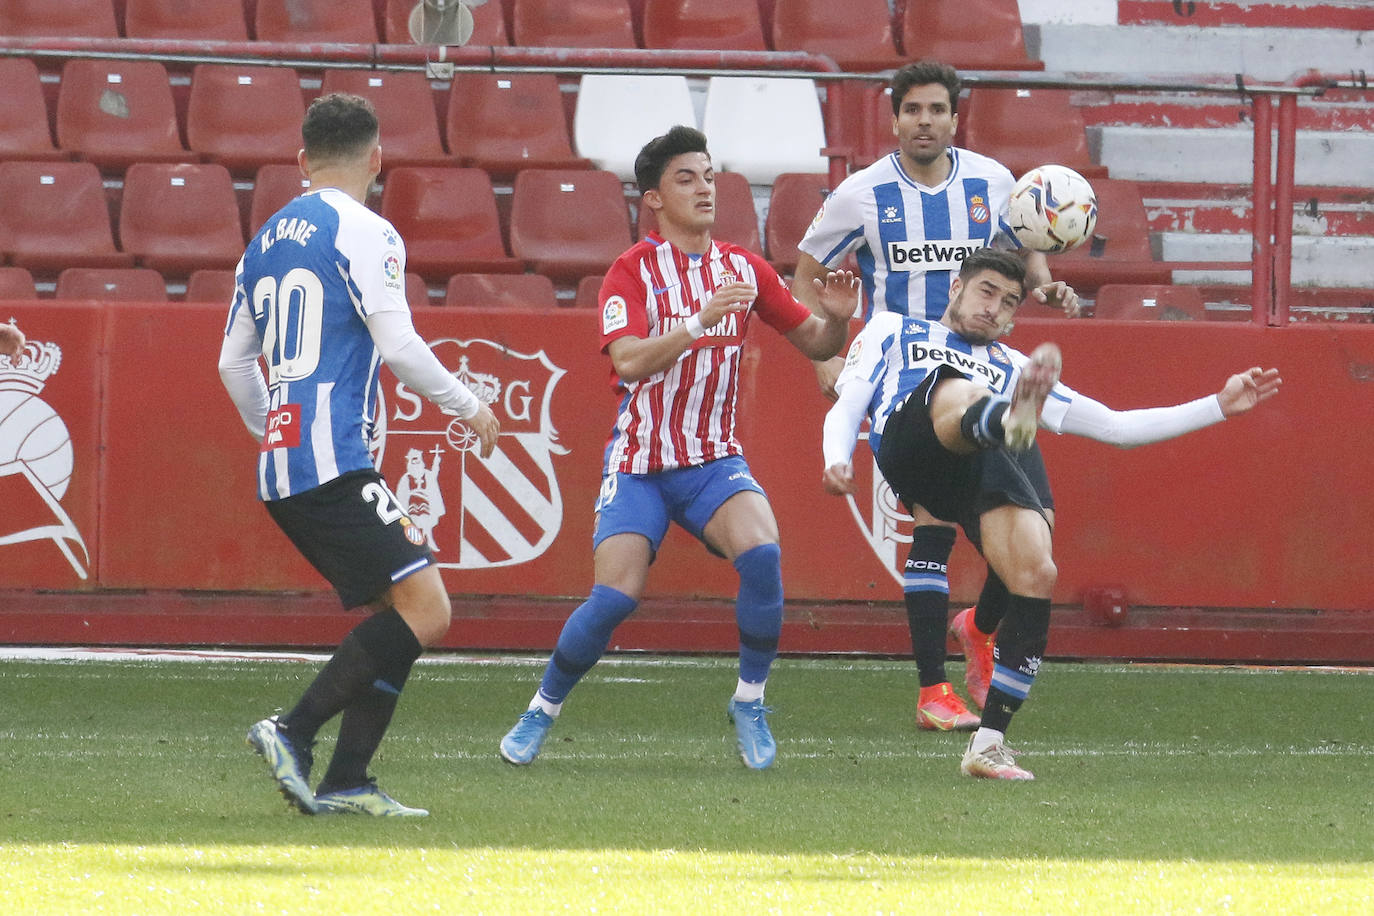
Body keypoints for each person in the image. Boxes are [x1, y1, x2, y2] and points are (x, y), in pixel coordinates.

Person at [821, 248, 1280, 779]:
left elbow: (1116, 428)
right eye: (985, 291)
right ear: (955, 289)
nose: (994, 308)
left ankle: (988, 745)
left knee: (1038, 570)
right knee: (963, 389)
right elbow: (847, 404)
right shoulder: (892, 329)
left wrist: (1217, 405)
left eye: (1008, 301)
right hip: (913, 441)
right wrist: (836, 458)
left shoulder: (1016, 365)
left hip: (976, 462)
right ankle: (1005, 419)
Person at [498, 125, 860, 770]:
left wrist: (835, 318)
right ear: (654, 199)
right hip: (639, 463)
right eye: (686, 178)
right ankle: (541, 710)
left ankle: (749, 700)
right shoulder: (630, 272)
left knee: (764, 555)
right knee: (613, 598)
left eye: (709, 175)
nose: (704, 188)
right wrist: (697, 322)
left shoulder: (742, 268)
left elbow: (816, 346)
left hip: (712, 459)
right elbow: (630, 362)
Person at [218, 93, 499, 816]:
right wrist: (468, 405)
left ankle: (349, 782)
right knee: (429, 609)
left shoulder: (263, 242)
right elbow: (399, 344)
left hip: (288, 463)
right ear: (377, 158)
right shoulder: (369, 231)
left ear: (301, 161)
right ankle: (293, 732)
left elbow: (232, 363)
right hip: (335, 459)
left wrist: (273, 430)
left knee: (399, 616)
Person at [792, 60, 1081, 731]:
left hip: (983, 373)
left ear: (956, 118)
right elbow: (806, 274)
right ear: (893, 118)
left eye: (937, 111)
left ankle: (979, 628)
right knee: (931, 518)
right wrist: (826, 354)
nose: (925, 121)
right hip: (903, 378)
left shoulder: (992, 182)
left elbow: (1024, 246)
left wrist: (1041, 283)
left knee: (1033, 524)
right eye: (913, 110)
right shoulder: (859, 196)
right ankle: (932, 691)